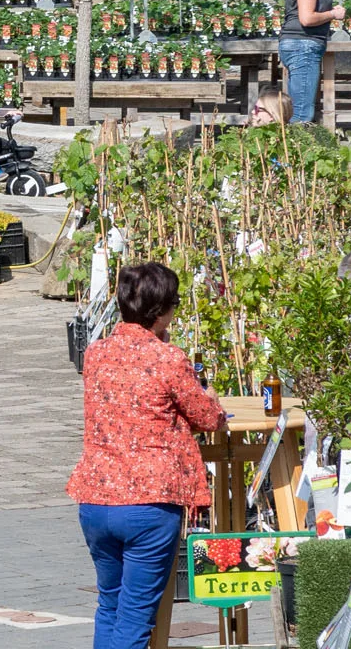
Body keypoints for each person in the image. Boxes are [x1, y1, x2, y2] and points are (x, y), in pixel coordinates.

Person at [68, 262, 228, 649]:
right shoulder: (167, 359)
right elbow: (206, 418)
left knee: (110, 604)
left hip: (96, 496)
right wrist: (211, 402)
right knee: (137, 616)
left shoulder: (96, 354)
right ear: (162, 311)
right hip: (150, 500)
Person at [278, 0, 344, 124]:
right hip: (303, 46)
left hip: (298, 44)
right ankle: (294, 153)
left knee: (298, 109)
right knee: (301, 114)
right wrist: (333, 13)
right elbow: (307, 18)